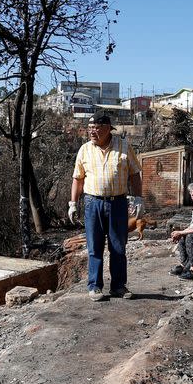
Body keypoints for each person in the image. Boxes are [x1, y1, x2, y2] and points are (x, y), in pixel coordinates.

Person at [69, 113, 143, 301]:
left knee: (118, 246)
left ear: (108, 128)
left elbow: (135, 174)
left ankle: (118, 286)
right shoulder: (85, 150)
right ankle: (95, 286)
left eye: (96, 127)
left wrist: (138, 198)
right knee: (94, 246)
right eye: (90, 128)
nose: (92, 131)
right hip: (93, 203)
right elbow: (78, 178)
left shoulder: (124, 146)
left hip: (118, 202)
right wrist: (72, 203)